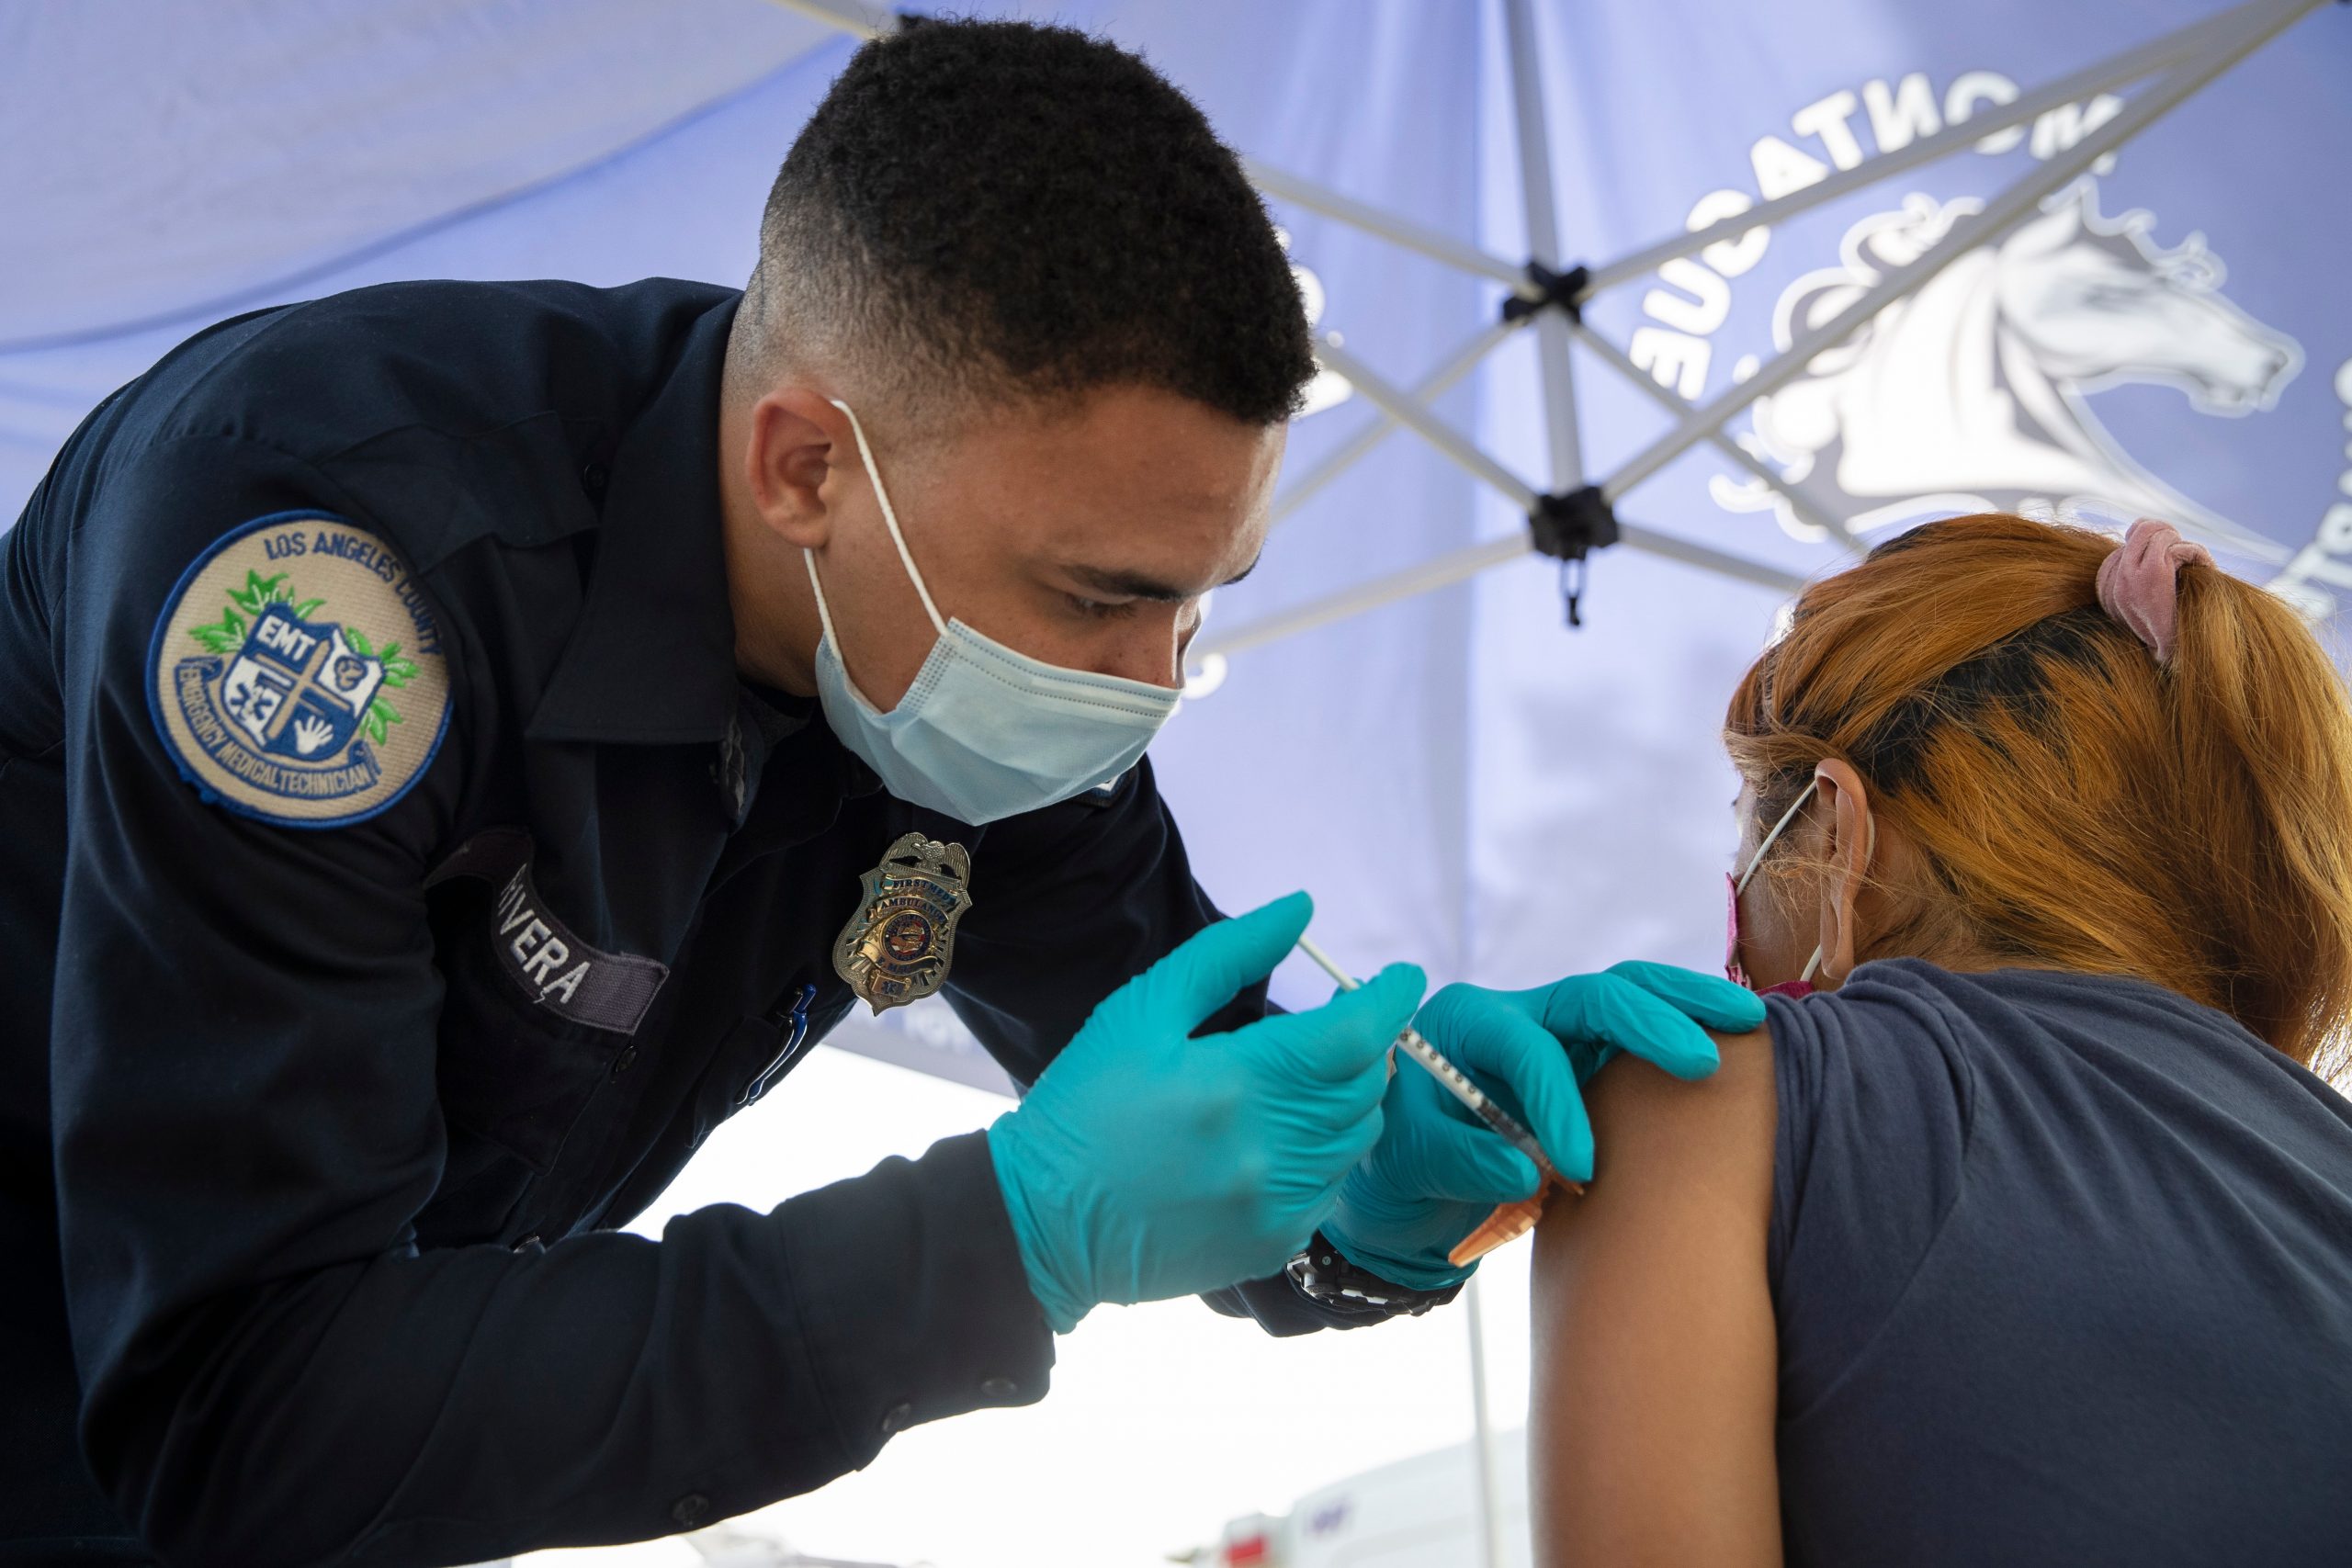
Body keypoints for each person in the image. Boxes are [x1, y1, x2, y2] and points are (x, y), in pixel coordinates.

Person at [0, 18, 1760, 1565]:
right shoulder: (332, 571)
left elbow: (1189, 1084)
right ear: (805, 466)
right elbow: (236, 1413)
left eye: (1200, 593)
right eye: (1096, 593)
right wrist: (997, 1242)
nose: (1152, 680)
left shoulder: (962, 667)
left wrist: (1382, 1170)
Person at [1527, 513, 2352, 1567]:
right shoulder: (2316, 1156)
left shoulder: (1705, 1090)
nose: (1731, 914)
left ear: (1832, 831)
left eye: (1744, 827)